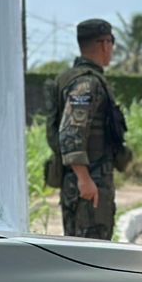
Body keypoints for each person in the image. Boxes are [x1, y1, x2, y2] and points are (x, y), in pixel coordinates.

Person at [53, 18, 131, 240]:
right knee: (90, 257)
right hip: (89, 185)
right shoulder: (87, 84)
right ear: (104, 43)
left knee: (87, 254)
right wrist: (84, 179)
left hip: (89, 183)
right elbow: (71, 132)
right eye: (112, 42)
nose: (112, 49)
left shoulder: (84, 79)